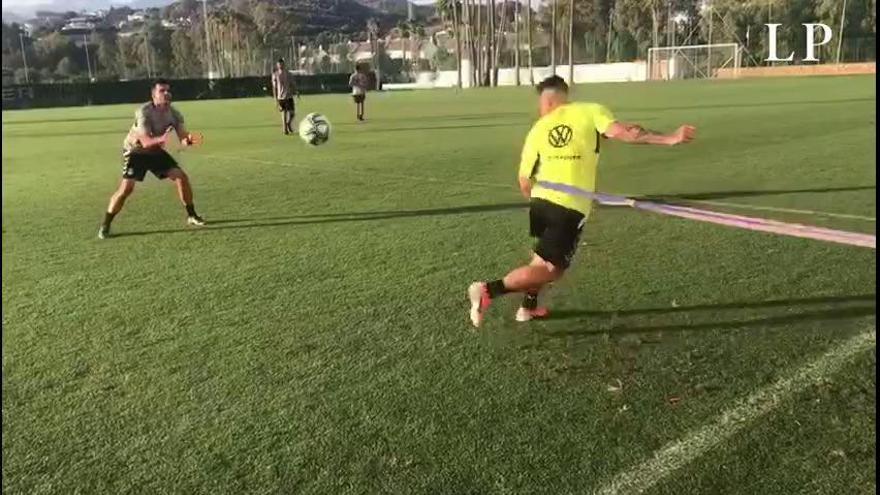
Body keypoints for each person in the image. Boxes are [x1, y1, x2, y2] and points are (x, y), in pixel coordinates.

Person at [467, 75, 697, 328]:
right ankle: (488, 290)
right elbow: (626, 133)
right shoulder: (590, 111)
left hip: (540, 204)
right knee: (552, 269)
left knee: (541, 259)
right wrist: (670, 138)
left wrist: (539, 200)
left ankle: (528, 306)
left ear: (549, 101)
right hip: (569, 207)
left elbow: (524, 180)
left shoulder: (538, 128)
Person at [98, 79, 205, 239]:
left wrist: (187, 140)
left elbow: (182, 136)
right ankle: (105, 225)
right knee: (126, 189)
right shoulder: (144, 112)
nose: (167, 93)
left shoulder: (174, 114)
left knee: (181, 177)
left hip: (155, 151)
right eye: (162, 91)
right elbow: (146, 141)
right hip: (136, 151)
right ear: (153, 95)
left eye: (168, 90)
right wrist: (161, 139)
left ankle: (192, 215)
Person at [271, 58, 297, 135]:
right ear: (277, 65)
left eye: (282, 64)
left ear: (284, 64)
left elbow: (292, 84)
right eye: (279, 64)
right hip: (281, 97)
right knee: (284, 112)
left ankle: (288, 123)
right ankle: (285, 129)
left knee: (292, 113)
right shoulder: (275, 75)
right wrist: (275, 98)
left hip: (289, 95)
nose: (280, 66)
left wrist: (296, 91)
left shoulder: (288, 74)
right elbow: (274, 87)